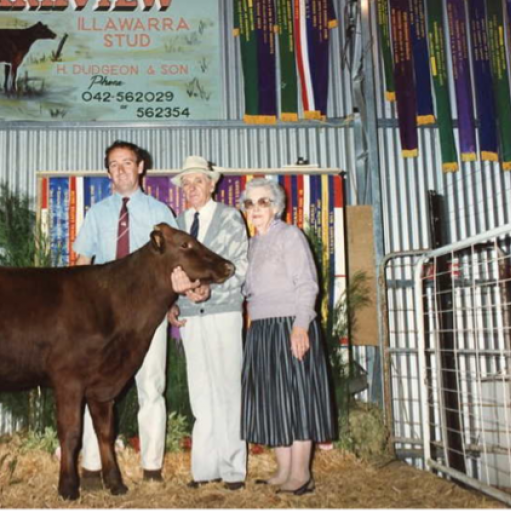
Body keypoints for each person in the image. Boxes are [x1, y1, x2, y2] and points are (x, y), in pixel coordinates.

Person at [73, 140, 177, 486]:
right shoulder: (97, 213)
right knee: (95, 388)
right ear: (107, 172)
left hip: (148, 315)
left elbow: (173, 264)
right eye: (114, 165)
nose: (121, 170)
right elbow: (82, 262)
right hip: (104, 317)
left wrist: (171, 302)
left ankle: (152, 468)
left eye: (127, 163)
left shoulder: (160, 212)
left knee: (151, 387)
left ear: (141, 166)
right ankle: (91, 465)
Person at [238, 178, 336, 495]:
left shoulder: (290, 236)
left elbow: (308, 283)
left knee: (297, 401)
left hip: (290, 327)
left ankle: (301, 475)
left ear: (276, 207)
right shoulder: (250, 246)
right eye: (249, 203)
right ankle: (282, 471)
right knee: (272, 402)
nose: (255, 209)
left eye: (263, 202)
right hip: (262, 330)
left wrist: (301, 325)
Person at [167, 156, 249, 491]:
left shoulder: (230, 218)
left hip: (224, 312)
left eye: (197, 181)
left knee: (228, 390)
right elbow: (170, 271)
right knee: (200, 393)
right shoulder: (178, 222)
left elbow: (240, 265)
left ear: (212, 185)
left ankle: (233, 470)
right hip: (190, 317)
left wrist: (208, 289)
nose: (191, 188)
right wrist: (172, 302)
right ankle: (204, 468)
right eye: (186, 184)